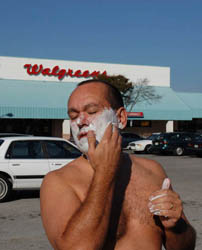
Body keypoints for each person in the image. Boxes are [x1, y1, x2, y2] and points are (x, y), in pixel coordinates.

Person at [40, 80, 196, 250]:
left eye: (91, 111)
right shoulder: (58, 182)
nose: (80, 121)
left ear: (120, 118)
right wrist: (104, 173)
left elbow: (185, 246)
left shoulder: (152, 170)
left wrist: (176, 226)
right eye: (73, 115)